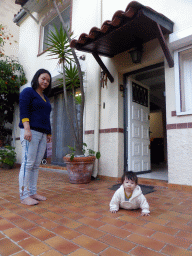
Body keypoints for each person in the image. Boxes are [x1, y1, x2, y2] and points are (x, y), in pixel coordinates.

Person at [18, 69, 52, 206]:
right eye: (43, 78)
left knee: (36, 165)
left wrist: (48, 133)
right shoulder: (28, 92)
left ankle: (32, 192)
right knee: (28, 164)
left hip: (42, 134)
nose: (45, 82)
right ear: (37, 77)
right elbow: (23, 110)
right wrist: (27, 129)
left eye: (48, 81)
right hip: (30, 132)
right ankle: (24, 195)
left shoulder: (45, 97)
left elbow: (46, 117)